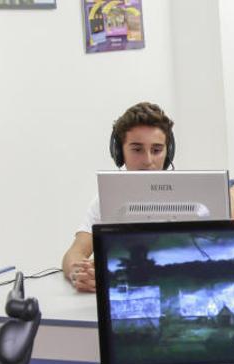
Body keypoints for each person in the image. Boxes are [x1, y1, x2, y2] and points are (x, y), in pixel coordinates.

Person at [62, 102, 175, 292]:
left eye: (156, 150)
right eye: (137, 149)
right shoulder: (107, 198)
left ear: (168, 153)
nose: (148, 161)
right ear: (119, 153)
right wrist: (79, 274)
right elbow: (74, 253)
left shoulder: (187, 197)